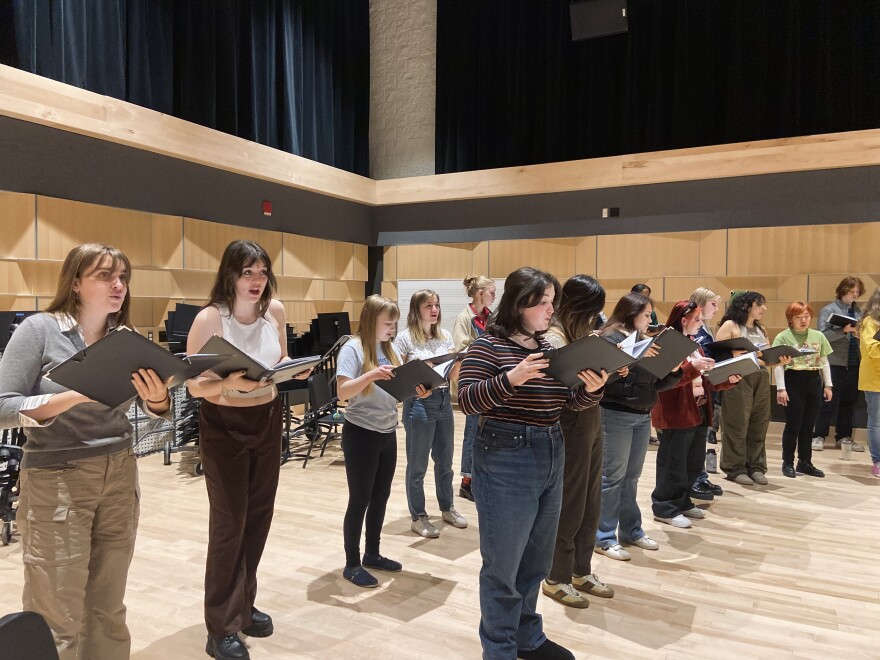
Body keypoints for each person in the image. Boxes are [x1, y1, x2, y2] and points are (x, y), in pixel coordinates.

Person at [0, 243, 171, 660]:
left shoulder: (124, 340)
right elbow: (3, 407)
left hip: (119, 472)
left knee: (108, 609)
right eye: (105, 276)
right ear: (75, 282)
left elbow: (155, 422)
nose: (118, 285)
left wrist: (159, 402)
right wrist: (73, 396)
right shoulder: (40, 329)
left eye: (123, 278)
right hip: (57, 478)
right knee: (56, 612)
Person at [458, 267, 606, 660]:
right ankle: (500, 649)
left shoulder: (549, 348)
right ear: (519, 303)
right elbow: (468, 401)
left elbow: (567, 402)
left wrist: (591, 391)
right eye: (541, 302)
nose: (549, 309)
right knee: (503, 564)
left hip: (551, 448)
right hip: (505, 455)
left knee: (536, 559)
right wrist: (511, 379)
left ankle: (527, 636)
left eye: (551, 301)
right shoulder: (487, 347)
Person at [187, 240, 308, 660]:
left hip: (267, 419)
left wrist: (295, 368)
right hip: (224, 426)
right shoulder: (210, 319)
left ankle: (242, 605)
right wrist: (228, 385)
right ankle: (219, 626)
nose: (255, 281)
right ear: (231, 275)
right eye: (247, 272)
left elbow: (281, 358)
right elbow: (191, 384)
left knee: (258, 518)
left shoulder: (274, 311)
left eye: (261, 272)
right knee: (229, 524)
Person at [336, 295, 428, 588]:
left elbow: (398, 388)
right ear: (371, 321)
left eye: (394, 323)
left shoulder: (389, 349)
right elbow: (342, 392)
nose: (392, 328)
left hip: (387, 431)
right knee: (360, 499)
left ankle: (372, 553)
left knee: (381, 496)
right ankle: (351, 563)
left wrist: (419, 390)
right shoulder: (353, 348)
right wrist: (372, 374)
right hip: (360, 432)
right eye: (387, 323)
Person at [543, 275, 615, 609]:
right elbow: (561, 388)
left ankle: (581, 570)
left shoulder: (582, 332)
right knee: (570, 502)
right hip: (568, 422)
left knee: (591, 497)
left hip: (591, 418)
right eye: (591, 312)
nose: (595, 319)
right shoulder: (554, 335)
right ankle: (556, 576)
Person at [594, 293, 682, 562]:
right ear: (631, 313)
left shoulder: (645, 342)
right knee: (612, 477)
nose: (650, 320)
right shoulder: (611, 338)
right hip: (615, 413)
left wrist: (675, 369)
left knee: (631, 477)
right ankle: (603, 537)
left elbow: (653, 384)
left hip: (642, 414)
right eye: (646, 315)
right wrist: (630, 358)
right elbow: (603, 380)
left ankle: (631, 530)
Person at [651, 301, 740, 528]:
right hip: (676, 413)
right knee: (673, 462)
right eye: (698, 320)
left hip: (698, 409)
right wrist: (694, 367)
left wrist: (727, 380)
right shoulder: (667, 343)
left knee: (692, 462)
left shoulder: (694, 345)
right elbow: (665, 382)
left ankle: (682, 502)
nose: (701, 325)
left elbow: (706, 379)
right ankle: (665, 507)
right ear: (684, 320)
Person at [394, 289, 467, 538]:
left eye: (436, 305)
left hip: (444, 400)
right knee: (418, 465)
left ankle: (447, 508)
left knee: (445, 462)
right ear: (416, 310)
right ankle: (419, 516)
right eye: (428, 306)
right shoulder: (403, 339)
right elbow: (399, 379)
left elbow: (453, 377)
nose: (434, 310)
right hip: (419, 404)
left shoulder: (445, 335)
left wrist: (457, 363)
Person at [715, 291, 791, 486]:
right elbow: (717, 355)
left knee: (759, 423)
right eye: (760, 305)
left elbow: (764, 359)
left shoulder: (761, 329)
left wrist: (778, 360)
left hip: (761, 378)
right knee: (736, 423)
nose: (764, 309)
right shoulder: (730, 326)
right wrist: (736, 355)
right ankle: (734, 468)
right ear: (746, 306)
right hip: (739, 378)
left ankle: (756, 466)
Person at [772, 302, 834, 478]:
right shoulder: (783, 337)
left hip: (813, 380)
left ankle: (805, 462)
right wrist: (781, 389)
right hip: (793, 380)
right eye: (798, 317)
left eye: (806, 316)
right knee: (793, 425)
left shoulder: (818, 336)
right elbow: (777, 365)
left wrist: (828, 385)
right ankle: (788, 462)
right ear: (791, 319)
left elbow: (824, 361)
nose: (803, 320)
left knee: (808, 425)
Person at [453, 275, 496, 501]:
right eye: (491, 292)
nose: (494, 296)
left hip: (490, 381)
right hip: (474, 382)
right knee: (472, 431)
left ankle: (481, 476)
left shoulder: (492, 317)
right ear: (479, 293)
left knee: (484, 431)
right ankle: (467, 481)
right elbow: (462, 350)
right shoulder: (464, 318)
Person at [813, 277, 866, 452]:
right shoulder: (829, 310)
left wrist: (859, 334)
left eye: (858, 292)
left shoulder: (858, 311)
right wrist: (843, 331)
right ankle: (818, 435)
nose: (855, 295)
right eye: (852, 291)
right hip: (834, 362)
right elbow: (821, 337)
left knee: (849, 402)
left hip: (854, 362)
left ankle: (844, 437)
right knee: (828, 400)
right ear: (843, 290)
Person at [688, 287, 725, 500]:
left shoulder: (706, 328)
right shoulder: (692, 330)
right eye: (713, 304)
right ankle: (695, 478)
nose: (717, 309)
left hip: (705, 387)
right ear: (700, 305)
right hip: (692, 389)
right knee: (691, 441)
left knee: (700, 438)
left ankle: (700, 475)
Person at [857, 287, 880, 479]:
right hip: (875, 379)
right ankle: (878, 461)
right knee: (877, 422)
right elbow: (873, 351)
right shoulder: (869, 322)